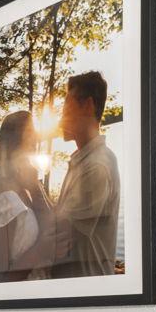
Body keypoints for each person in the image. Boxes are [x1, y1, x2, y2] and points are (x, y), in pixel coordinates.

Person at [49, 71, 121, 278]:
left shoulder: (96, 166)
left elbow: (58, 235)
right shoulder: (84, 160)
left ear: (88, 106)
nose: (61, 119)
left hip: (85, 288)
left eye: (66, 109)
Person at [0, 109, 55, 282]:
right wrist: (40, 250)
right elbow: (0, 277)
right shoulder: (6, 201)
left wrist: (35, 187)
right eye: (31, 132)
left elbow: (53, 224)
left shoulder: (26, 188)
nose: (36, 138)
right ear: (16, 141)